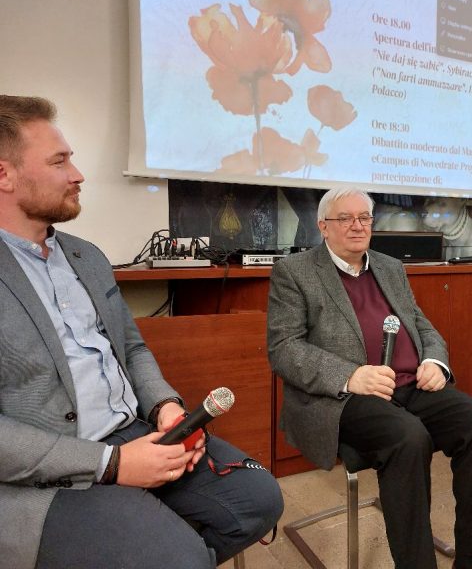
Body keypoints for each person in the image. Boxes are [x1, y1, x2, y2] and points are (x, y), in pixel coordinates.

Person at [0, 95, 283, 569]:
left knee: (258, 501)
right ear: (4, 175)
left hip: (134, 431)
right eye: (59, 161)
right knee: (180, 558)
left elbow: (130, 348)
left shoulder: (86, 256)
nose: (77, 174)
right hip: (50, 472)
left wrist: (165, 406)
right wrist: (111, 465)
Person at [267, 185, 472, 569]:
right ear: (323, 226)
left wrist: (435, 361)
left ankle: (471, 558)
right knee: (409, 437)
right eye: (345, 218)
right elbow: (284, 348)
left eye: (364, 217)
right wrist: (350, 376)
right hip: (346, 398)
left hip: (410, 383)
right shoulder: (295, 272)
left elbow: (423, 325)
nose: (357, 226)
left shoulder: (389, 267)